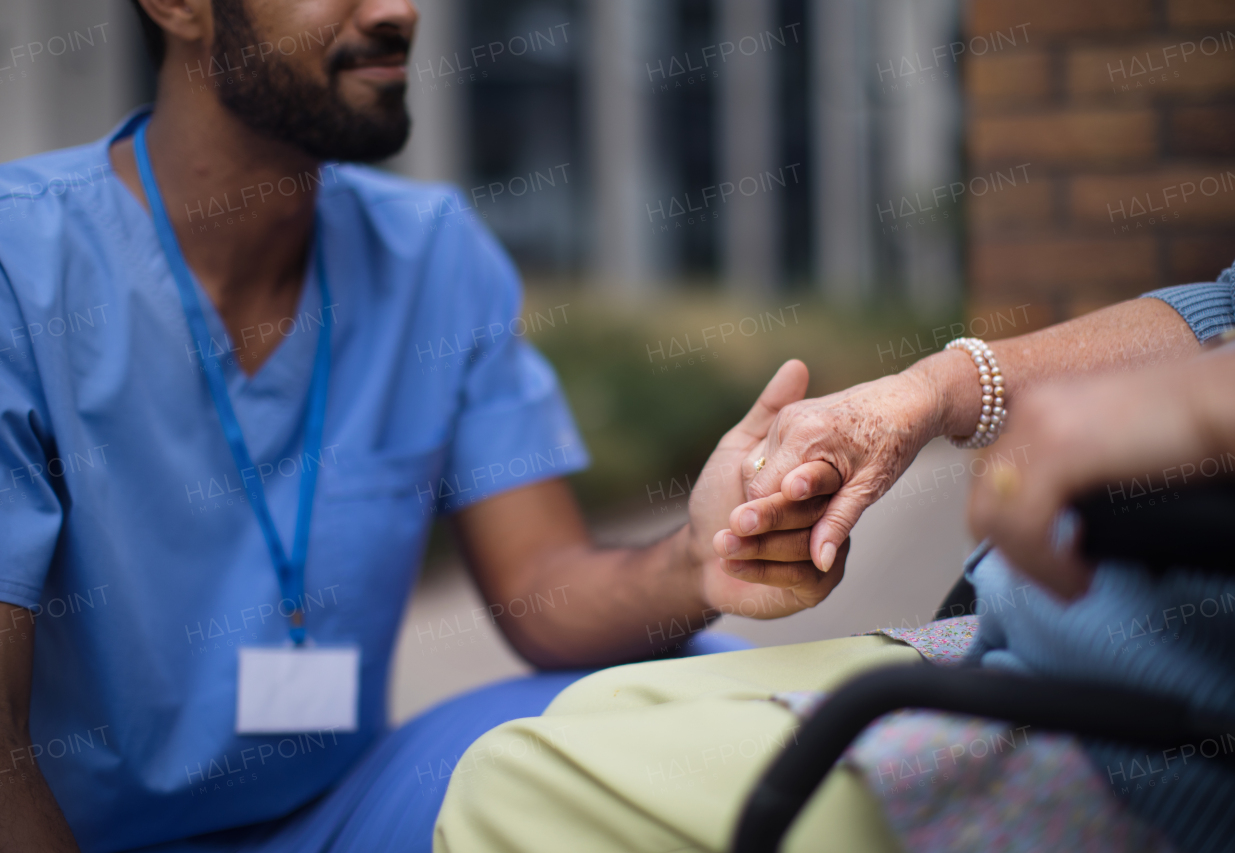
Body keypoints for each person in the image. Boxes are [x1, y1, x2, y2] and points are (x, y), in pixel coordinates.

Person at [0, 2, 848, 851]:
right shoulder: (22, 266)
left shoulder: (430, 254)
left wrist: (699, 558)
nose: (398, 9)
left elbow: (545, 588)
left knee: (699, 693)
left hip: (337, 817)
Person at [435, 245, 1235, 853]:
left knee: (509, 783)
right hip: (1006, 645)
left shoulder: (438, 258)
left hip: (1170, 752)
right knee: (596, 709)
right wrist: (931, 389)